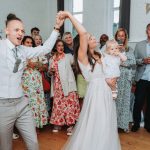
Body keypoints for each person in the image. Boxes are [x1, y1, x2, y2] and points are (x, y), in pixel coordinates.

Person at [0, 13, 64, 150]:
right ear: (6, 31)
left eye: (22, 30)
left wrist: (56, 28)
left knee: (33, 143)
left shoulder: (23, 50)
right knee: (5, 146)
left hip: (22, 104)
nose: (20, 33)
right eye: (16, 30)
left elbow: (45, 48)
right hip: (3, 106)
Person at [59, 11, 121, 150]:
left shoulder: (101, 54)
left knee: (106, 122)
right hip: (96, 92)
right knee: (97, 121)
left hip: (107, 91)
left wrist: (112, 84)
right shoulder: (83, 57)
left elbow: (113, 70)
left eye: (93, 37)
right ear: (84, 43)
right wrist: (69, 15)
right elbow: (83, 33)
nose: (93, 39)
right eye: (91, 38)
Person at [48, 39, 80, 135]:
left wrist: (71, 73)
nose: (60, 47)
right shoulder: (51, 59)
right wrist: (50, 72)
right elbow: (49, 73)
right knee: (58, 105)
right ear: (55, 47)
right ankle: (58, 124)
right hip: (57, 85)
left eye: (62, 46)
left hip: (68, 85)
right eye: (58, 45)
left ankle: (70, 125)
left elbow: (76, 65)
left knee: (70, 105)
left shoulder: (68, 56)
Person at [115, 28, 136, 132]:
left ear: (125, 37)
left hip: (126, 79)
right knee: (115, 101)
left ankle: (124, 125)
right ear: (116, 37)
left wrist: (123, 62)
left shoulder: (129, 49)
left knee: (125, 102)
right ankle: (114, 124)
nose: (121, 37)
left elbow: (133, 62)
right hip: (115, 78)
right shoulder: (112, 48)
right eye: (119, 35)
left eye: (123, 35)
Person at [131, 23, 150, 133]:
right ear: (146, 31)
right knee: (138, 102)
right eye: (149, 30)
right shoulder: (139, 45)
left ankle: (148, 125)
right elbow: (134, 60)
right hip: (142, 78)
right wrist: (143, 61)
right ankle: (136, 123)